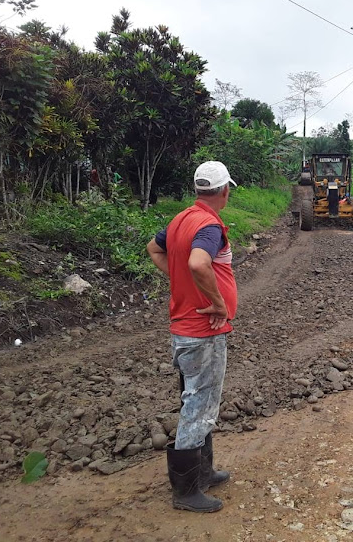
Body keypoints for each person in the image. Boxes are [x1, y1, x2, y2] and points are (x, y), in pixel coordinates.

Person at [146, 160, 238, 513]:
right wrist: (217, 303)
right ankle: (185, 492)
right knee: (199, 405)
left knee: (199, 400)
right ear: (224, 191)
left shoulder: (180, 219)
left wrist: (180, 281)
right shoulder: (209, 226)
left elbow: (154, 249)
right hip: (203, 332)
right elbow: (199, 263)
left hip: (184, 329)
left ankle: (203, 472)